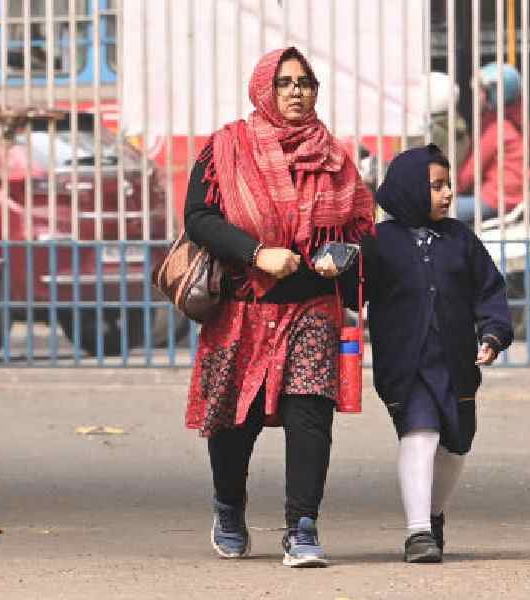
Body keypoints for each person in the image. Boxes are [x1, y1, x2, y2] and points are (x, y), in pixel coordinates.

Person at [183, 47, 375, 568]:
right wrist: (256, 253)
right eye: (285, 82)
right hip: (242, 306)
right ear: (264, 88)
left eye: (306, 82)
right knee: (231, 420)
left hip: (311, 305)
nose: (296, 91)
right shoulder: (226, 147)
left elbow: (360, 225)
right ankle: (228, 507)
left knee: (310, 412)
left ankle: (302, 526)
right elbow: (198, 217)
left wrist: (340, 258)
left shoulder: (333, 155)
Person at [360, 144, 513, 563]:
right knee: (420, 433)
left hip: (456, 365)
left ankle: (432, 512)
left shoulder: (460, 239)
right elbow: (351, 292)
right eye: (437, 186)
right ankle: (418, 533)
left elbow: (489, 291)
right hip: (404, 365)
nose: (448, 194)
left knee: (456, 445)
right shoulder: (378, 242)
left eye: (449, 185)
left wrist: (494, 334)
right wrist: (335, 267)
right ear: (410, 189)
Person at [457, 63, 530, 225]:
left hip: (494, 199)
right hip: (507, 197)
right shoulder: (516, 122)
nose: (476, 97)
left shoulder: (497, 128)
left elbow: (469, 174)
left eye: (481, 92)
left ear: (497, 94)